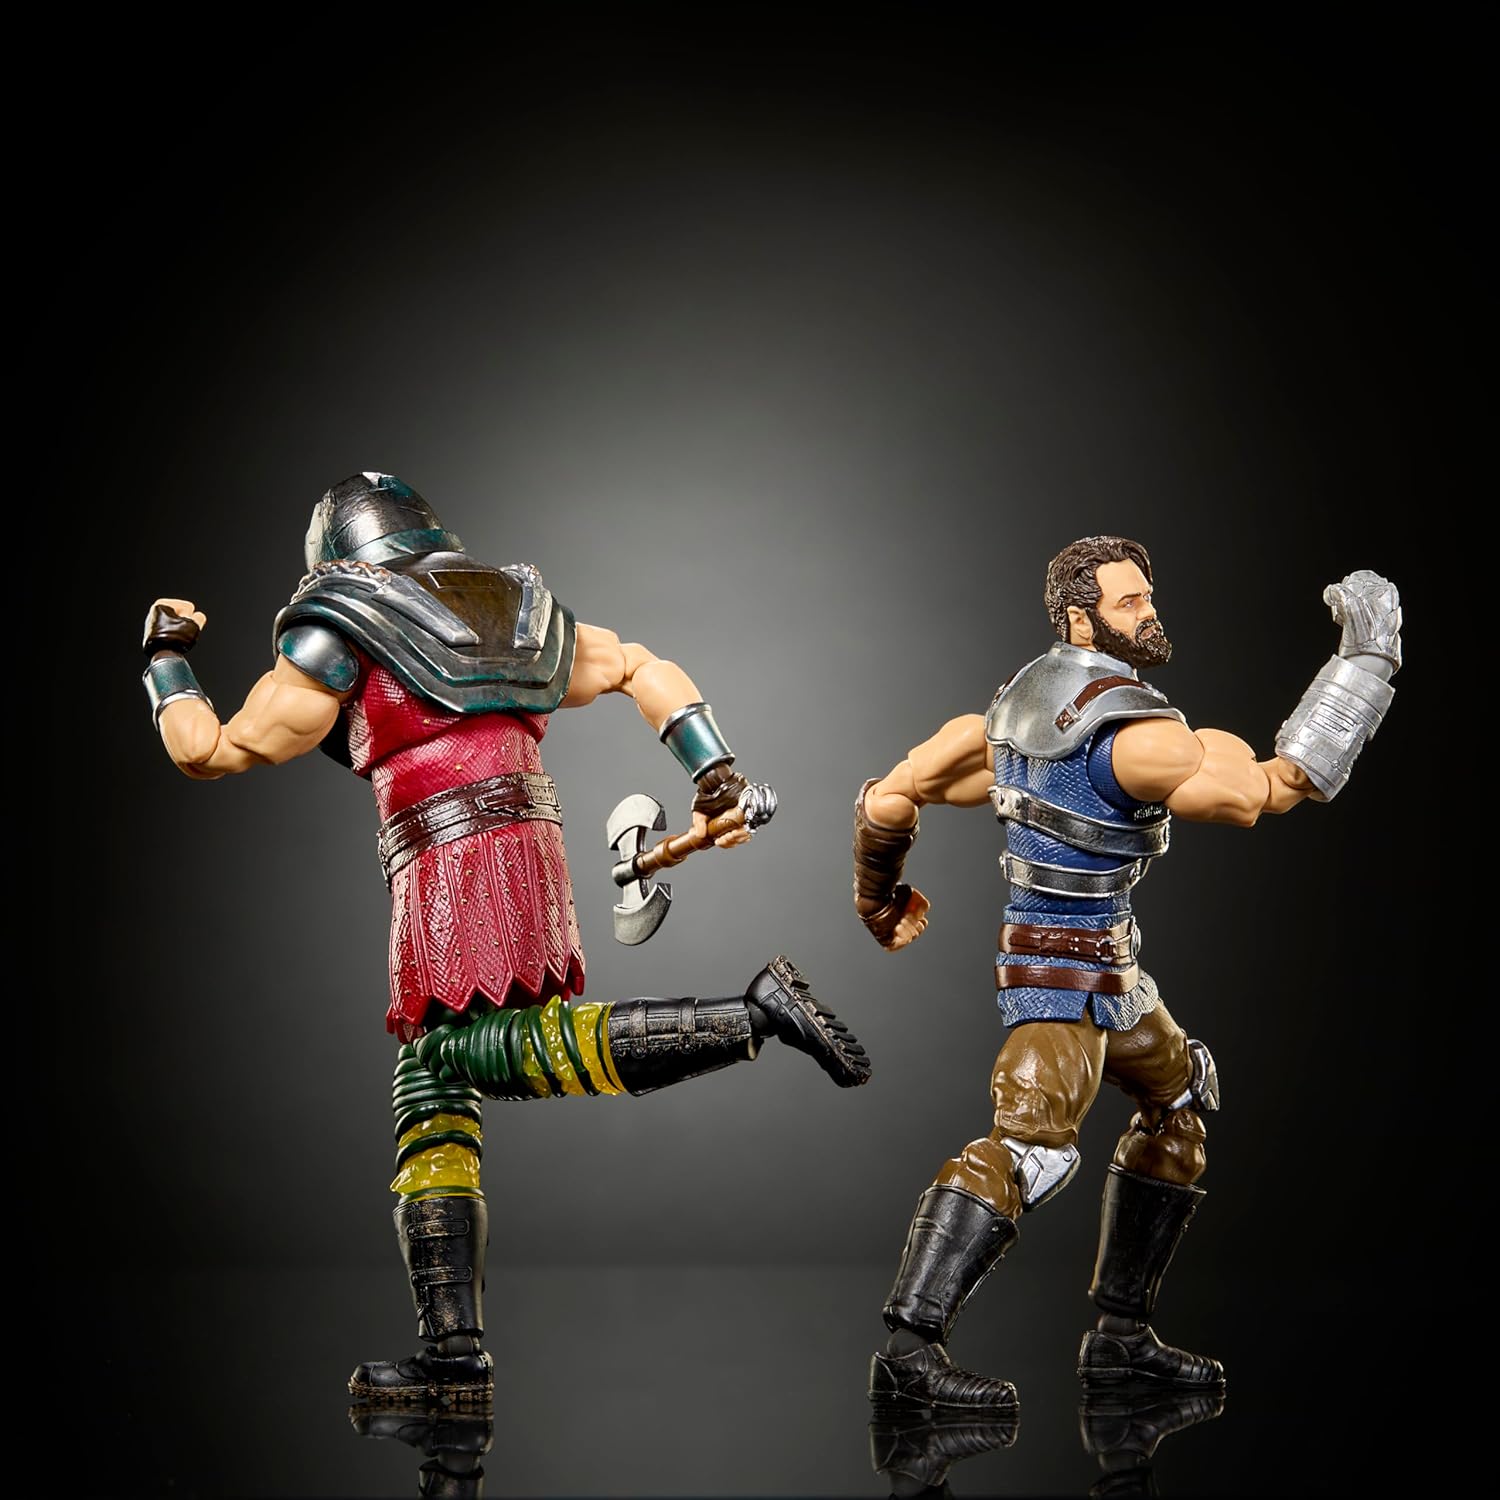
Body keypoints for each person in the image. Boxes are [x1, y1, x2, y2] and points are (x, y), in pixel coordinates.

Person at [143, 470, 869, 1406]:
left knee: (486, 1053)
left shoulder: (340, 630)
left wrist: (165, 656)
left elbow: (208, 749)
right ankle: (453, 1355)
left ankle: (754, 1014)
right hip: (514, 853)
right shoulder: (510, 611)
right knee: (430, 1083)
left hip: (453, 866)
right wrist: (714, 774)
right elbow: (641, 666)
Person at [852, 534, 1399, 1413]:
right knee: (1029, 1150)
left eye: (1147, 595)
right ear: (1081, 619)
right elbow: (1277, 787)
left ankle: (1121, 1340)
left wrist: (879, 900)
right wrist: (1365, 667)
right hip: (1056, 982)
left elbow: (885, 797)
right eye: (1130, 602)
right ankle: (908, 1355)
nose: (1149, 613)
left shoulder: (1002, 717)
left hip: (1116, 974)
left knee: (1179, 1102)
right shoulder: (1140, 740)